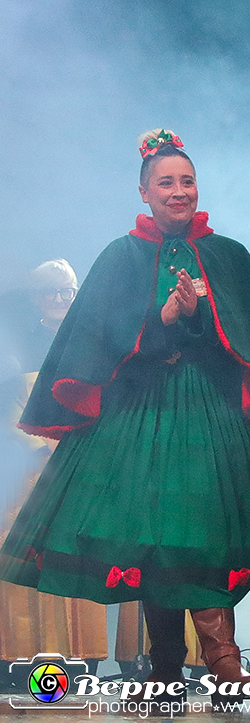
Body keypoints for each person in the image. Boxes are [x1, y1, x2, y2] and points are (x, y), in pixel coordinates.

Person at [0, 129, 250, 699]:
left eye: (186, 181)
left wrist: (203, 319)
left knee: (203, 531)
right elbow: (95, 339)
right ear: (143, 192)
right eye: (165, 182)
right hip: (139, 415)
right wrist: (159, 319)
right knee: (153, 536)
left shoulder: (227, 254)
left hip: (208, 414)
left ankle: (222, 660)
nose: (178, 191)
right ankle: (167, 667)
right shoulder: (121, 256)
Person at [0, 260, 106, 684]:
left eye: (68, 292)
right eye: (51, 293)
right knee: (25, 553)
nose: (61, 300)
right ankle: (18, 658)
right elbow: (8, 413)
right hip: (30, 473)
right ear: (36, 298)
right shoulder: (14, 348)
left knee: (81, 552)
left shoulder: (94, 344)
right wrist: (43, 445)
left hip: (83, 467)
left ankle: (84, 656)